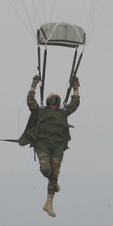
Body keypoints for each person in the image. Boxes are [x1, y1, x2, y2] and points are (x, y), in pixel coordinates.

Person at [20, 74, 80, 217]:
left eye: (56, 103)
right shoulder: (41, 112)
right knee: (46, 169)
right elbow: (30, 102)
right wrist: (33, 85)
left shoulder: (63, 114)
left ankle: (49, 203)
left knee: (55, 173)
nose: (54, 105)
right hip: (43, 145)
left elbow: (75, 104)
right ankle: (53, 182)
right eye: (52, 103)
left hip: (57, 147)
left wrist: (76, 88)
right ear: (48, 103)